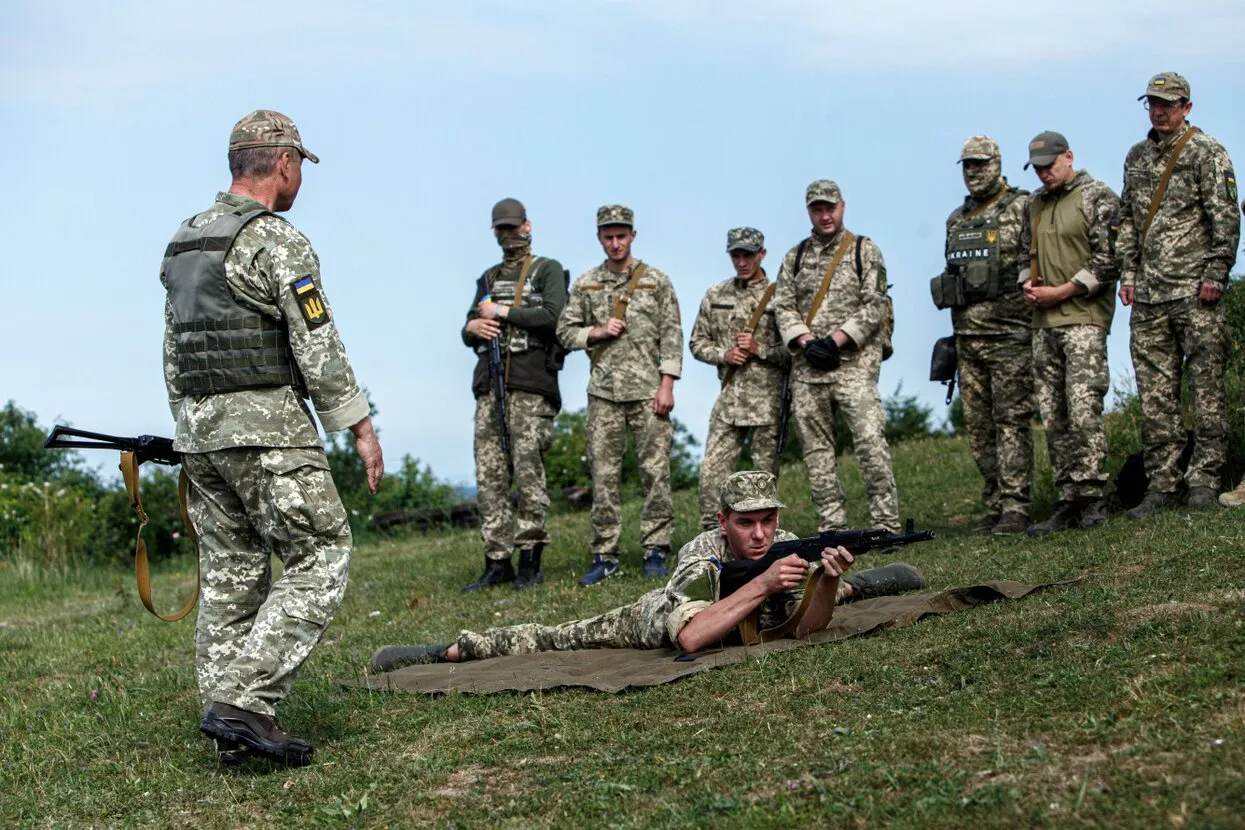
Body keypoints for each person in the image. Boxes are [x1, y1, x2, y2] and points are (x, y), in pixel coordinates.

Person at [162, 110, 384, 766]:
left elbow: (174, 347)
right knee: (321, 552)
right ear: (284, 162)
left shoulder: (185, 240)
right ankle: (245, 703)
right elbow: (316, 342)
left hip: (202, 437)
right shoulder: (276, 241)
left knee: (231, 577)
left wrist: (186, 428)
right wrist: (360, 428)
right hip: (269, 435)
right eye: (298, 168)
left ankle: (229, 729)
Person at [370, 471, 924, 669]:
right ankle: (447, 650)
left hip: (762, 609)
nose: (760, 535)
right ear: (723, 520)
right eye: (746, 523)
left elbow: (805, 629)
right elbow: (691, 637)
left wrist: (824, 582)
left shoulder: (785, 544)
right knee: (555, 639)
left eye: (768, 521)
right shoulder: (700, 555)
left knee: (841, 589)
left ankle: (867, 579)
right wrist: (759, 582)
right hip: (660, 618)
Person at [1117, 72, 1240, 517]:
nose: (1159, 110)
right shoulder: (1136, 157)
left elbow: (1224, 217)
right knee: (1155, 397)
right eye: (1152, 103)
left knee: (1206, 390)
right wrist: (1127, 273)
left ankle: (1204, 478)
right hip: (1149, 296)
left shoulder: (1207, 153)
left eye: (1168, 103)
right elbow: (1127, 220)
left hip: (1195, 291)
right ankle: (1162, 483)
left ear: (1187, 106)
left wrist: (1216, 273)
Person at [556, 205, 683, 586]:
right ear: (599, 238)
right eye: (608, 236)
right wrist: (595, 332)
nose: (615, 243)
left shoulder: (656, 281)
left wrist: (667, 384)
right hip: (604, 394)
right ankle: (605, 554)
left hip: (648, 392)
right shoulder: (586, 283)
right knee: (604, 475)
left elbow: (672, 334)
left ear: (633, 235)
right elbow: (564, 332)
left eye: (621, 235)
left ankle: (656, 548)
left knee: (655, 472)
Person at [771, 180, 900, 534]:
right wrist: (807, 340)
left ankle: (885, 523)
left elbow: (876, 304)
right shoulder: (794, 257)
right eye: (817, 209)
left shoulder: (863, 251)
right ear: (808, 211)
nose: (825, 215)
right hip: (809, 367)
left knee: (871, 441)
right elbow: (782, 305)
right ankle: (832, 524)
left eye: (830, 207)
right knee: (816, 452)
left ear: (842, 206)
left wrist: (838, 341)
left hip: (853, 367)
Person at [460, 198, 568, 591]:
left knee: (528, 472)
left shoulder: (547, 269)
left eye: (513, 227)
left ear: (527, 225)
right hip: (490, 387)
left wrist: (502, 314)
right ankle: (497, 560)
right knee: (489, 476)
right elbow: (468, 325)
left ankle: (530, 560)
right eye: (501, 229)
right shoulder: (488, 279)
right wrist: (473, 329)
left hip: (531, 386)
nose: (508, 235)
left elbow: (555, 314)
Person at [1018, 132, 1121, 535]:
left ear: (1068, 157)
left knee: (1082, 408)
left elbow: (1108, 259)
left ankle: (1093, 495)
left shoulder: (1099, 196)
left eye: (1050, 165)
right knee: (1054, 413)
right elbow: (1023, 254)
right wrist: (1028, 284)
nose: (1044, 174)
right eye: (1038, 168)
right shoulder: (1034, 204)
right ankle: (1067, 499)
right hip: (1043, 324)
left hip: (1083, 318)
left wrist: (1062, 291)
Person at [930, 137, 1034, 536]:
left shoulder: (1022, 207)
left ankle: (1016, 506)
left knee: (1011, 423)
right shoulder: (956, 219)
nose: (974, 172)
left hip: (1010, 336)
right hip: (968, 340)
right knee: (979, 428)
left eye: (981, 164)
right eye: (967, 165)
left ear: (997, 163)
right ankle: (994, 503)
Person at [689, 227, 788, 530]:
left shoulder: (781, 295)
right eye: (736, 255)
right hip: (729, 398)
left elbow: (795, 350)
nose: (742, 261)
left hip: (767, 400)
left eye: (748, 255)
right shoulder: (716, 293)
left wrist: (761, 350)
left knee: (764, 479)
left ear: (762, 255)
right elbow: (697, 342)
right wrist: (724, 355)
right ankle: (712, 534)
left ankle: (764, 539)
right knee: (711, 473)